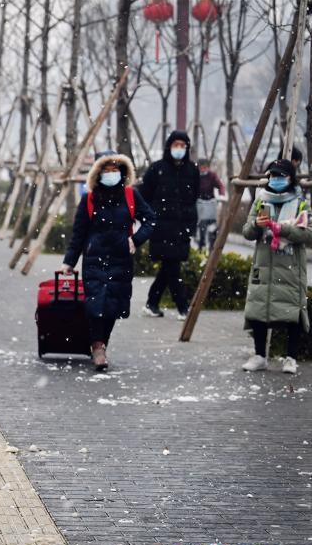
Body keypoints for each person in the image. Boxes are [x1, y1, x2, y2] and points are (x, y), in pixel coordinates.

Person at [60, 154, 156, 371]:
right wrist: (69, 262)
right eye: (106, 170)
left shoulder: (131, 195)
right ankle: (98, 347)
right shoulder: (89, 199)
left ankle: (102, 344)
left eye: (115, 170)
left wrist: (136, 239)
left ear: (122, 172)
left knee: (112, 306)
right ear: (98, 173)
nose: (111, 174)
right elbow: (79, 234)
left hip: (121, 259)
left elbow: (151, 219)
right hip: (94, 259)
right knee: (95, 304)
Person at [240, 159, 311, 374]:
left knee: (292, 312)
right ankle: (259, 356)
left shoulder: (301, 202)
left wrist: (283, 229)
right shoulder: (261, 200)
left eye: (281, 176)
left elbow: (308, 234)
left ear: (290, 178)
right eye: (273, 175)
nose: (276, 179)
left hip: (290, 267)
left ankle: (291, 357)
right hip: (264, 264)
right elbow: (247, 232)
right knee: (258, 309)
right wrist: (256, 225)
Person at [139, 130, 199, 320]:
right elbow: (144, 196)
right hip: (161, 228)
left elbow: (193, 199)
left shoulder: (192, 170)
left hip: (182, 228)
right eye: (176, 145)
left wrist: (190, 225)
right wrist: (150, 220)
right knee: (172, 267)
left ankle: (152, 303)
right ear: (169, 146)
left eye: (183, 145)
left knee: (169, 267)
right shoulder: (157, 169)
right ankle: (183, 308)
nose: (179, 149)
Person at [195, 158, 225, 251]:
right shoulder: (195, 176)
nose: (203, 169)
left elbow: (220, 185)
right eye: (201, 167)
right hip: (199, 203)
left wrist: (221, 195)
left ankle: (212, 246)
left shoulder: (212, 175)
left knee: (213, 225)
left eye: (205, 167)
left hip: (211, 203)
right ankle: (201, 245)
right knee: (202, 225)